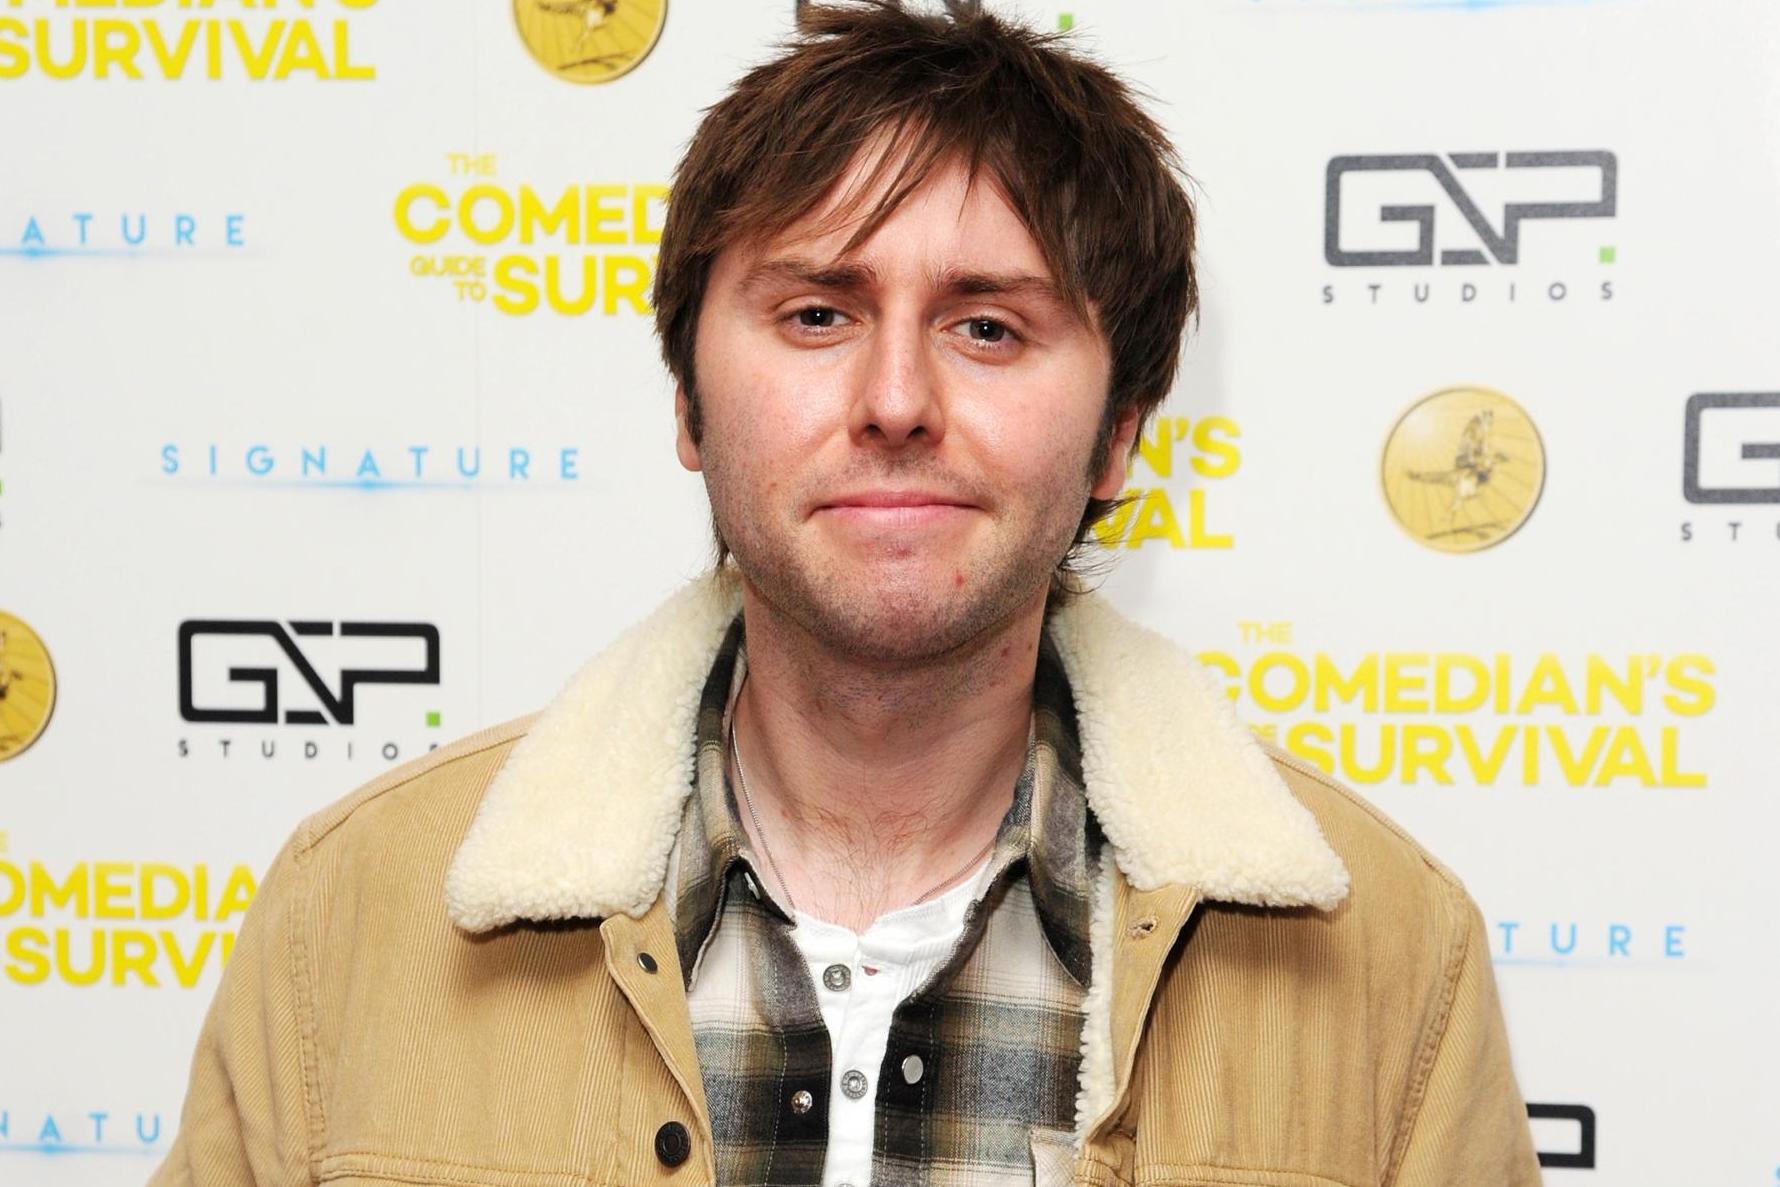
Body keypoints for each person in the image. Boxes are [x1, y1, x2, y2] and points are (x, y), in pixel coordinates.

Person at [152, 4, 1542, 1185]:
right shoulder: (356, 919)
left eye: (988, 326)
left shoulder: (1390, 964)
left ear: (1122, 430)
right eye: (817, 313)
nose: (894, 402)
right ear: (690, 402)